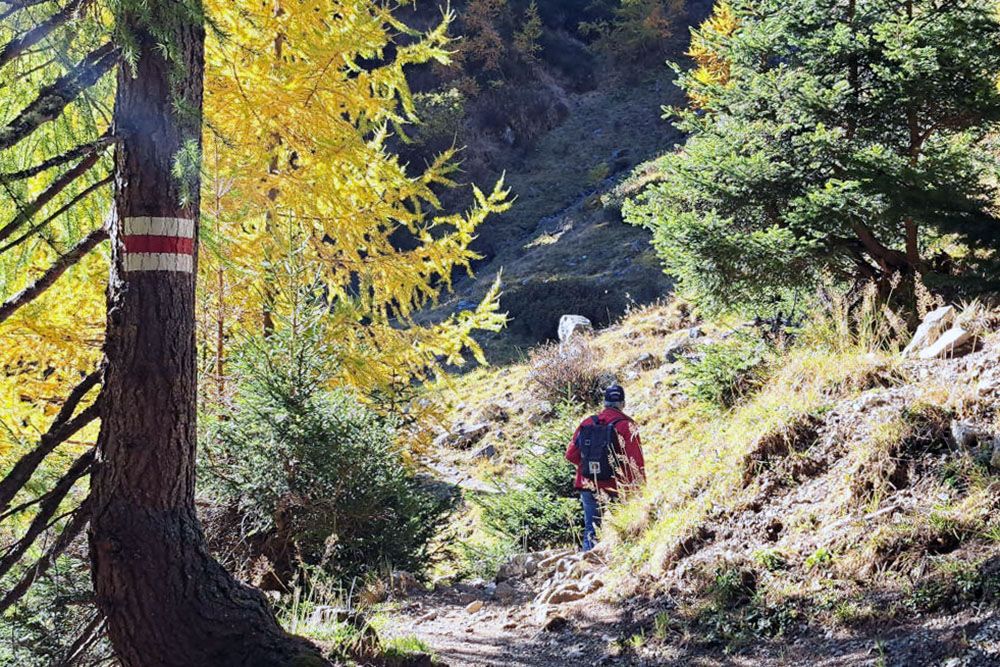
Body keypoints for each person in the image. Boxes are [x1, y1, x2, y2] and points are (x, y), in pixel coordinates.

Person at [565, 385, 645, 551]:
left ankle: (586, 566)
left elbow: (571, 454)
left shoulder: (587, 423)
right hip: (616, 486)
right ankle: (618, 562)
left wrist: (589, 467)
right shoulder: (626, 426)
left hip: (588, 484)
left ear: (604, 402)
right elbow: (635, 461)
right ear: (622, 403)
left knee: (591, 529)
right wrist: (638, 488)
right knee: (622, 528)